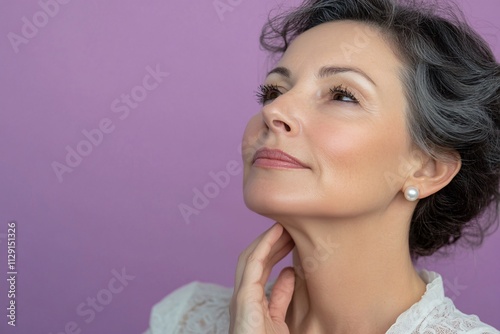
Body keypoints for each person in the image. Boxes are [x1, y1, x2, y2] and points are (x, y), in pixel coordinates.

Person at [145, 0, 500, 333]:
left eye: (342, 95)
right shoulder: (184, 319)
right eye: (273, 91)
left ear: (428, 168)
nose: (273, 111)